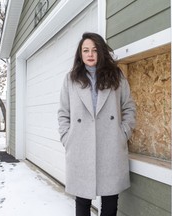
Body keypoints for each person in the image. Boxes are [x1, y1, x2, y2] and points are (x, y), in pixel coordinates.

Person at [58, 32, 136, 216]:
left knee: (110, 205)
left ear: (101, 52)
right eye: (85, 50)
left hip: (110, 146)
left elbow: (129, 107)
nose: (90, 54)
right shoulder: (71, 79)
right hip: (80, 146)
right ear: (80, 54)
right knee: (82, 204)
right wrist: (67, 138)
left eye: (94, 50)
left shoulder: (116, 76)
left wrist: (122, 134)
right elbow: (63, 113)